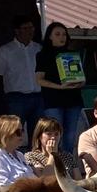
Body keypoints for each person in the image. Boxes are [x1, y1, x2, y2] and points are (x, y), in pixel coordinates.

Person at [35, 21, 87, 153]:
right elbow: (39, 80)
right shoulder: (43, 55)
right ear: (50, 37)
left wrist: (81, 82)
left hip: (73, 99)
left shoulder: (72, 54)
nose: (62, 37)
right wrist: (59, 87)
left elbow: (82, 78)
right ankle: (53, 165)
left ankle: (68, 169)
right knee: (54, 134)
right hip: (53, 100)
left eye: (64, 34)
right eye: (57, 34)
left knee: (69, 136)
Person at [0, 16, 45, 137]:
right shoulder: (4, 51)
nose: (30, 31)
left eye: (31, 28)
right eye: (25, 28)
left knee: (38, 132)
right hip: (16, 97)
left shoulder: (39, 49)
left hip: (38, 96)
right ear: (17, 30)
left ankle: (35, 155)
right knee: (14, 131)